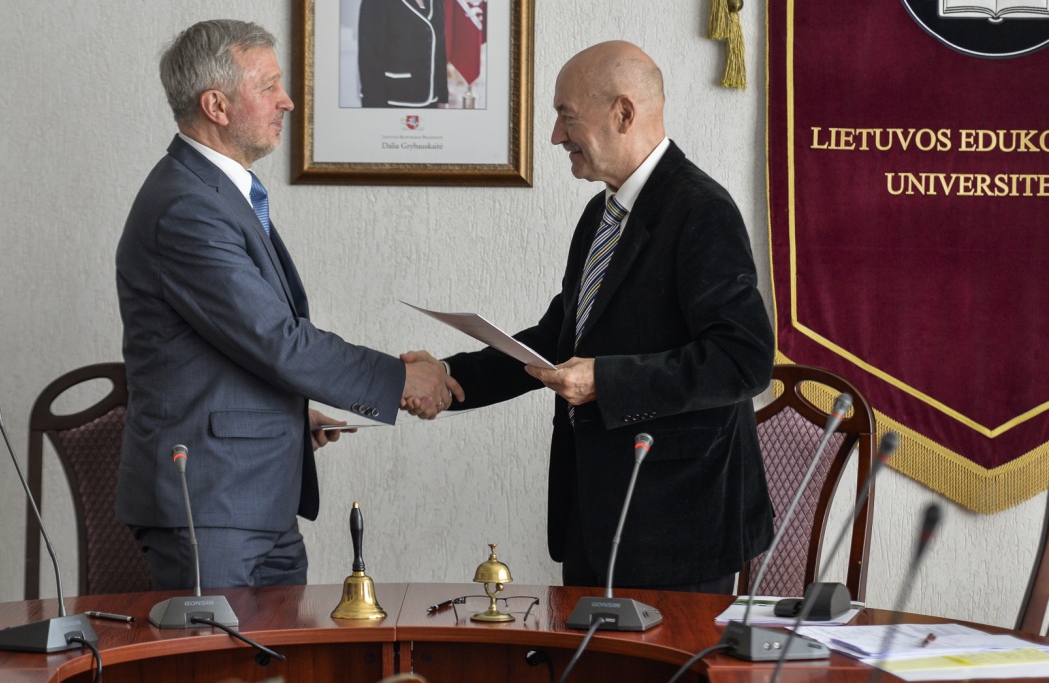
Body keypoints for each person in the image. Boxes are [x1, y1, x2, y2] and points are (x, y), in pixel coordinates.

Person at [407, 41, 776, 593]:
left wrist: (605, 380)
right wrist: (452, 377)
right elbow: (558, 338)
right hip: (594, 518)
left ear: (623, 113)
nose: (556, 135)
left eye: (567, 116)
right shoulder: (600, 214)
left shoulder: (702, 210)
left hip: (678, 529)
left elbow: (743, 360)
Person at [115, 19, 460, 590]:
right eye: (269, 85)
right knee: (217, 651)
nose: (288, 101)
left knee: (282, 649)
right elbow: (276, 339)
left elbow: (231, 347)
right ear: (216, 105)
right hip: (210, 505)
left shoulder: (215, 193)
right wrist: (399, 378)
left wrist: (287, 418)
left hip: (254, 500)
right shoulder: (187, 208)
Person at [357, 0, 449, 108]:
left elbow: (440, 51)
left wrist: (442, 98)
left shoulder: (436, 1)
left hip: (431, 101)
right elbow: (370, 60)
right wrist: (375, 108)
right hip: (393, 101)